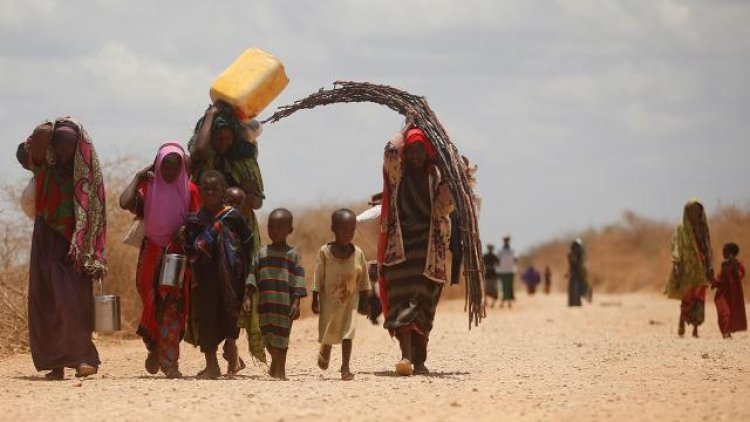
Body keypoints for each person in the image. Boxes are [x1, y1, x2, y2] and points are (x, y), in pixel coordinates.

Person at [20, 118, 106, 380]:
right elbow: (38, 135)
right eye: (59, 145)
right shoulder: (44, 164)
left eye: (70, 146)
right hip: (46, 239)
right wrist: (54, 124)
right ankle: (54, 363)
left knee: (72, 302)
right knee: (46, 300)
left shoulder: (86, 175)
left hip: (74, 246)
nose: (64, 151)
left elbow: (95, 214)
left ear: (79, 148)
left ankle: (82, 358)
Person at [188, 102, 265, 368]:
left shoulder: (244, 161)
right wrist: (210, 115)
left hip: (239, 234)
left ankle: (232, 349)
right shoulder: (203, 159)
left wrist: (245, 194)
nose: (222, 142)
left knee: (238, 293)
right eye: (217, 137)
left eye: (228, 137)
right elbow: (197, 149)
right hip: (208, 237)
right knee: (209, 298)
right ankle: (220, 355)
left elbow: (258, 202)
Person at [378, 117, 454, 376]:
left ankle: (419, 358)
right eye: (410, 150)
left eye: (420, 149)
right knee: (403, 304)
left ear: (428, 152)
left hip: (429, 251)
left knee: (424, 305)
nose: (415, 155)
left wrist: (447, 170)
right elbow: (389, 150)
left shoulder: (436, 176)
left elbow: (446, 206)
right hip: (399, 250)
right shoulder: (398, 173)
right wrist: (406, 128)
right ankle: (406, 356)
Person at [119, 143, 200, 378]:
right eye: (165, 165)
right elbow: (125, 202)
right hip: (151, 252)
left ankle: (169, 361)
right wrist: (138, 175)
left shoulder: (190, 190)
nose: (170, 171)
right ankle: (154, 347)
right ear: (158, 164)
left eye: (176, 166)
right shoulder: (148, 186)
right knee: (151, 301)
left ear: (182, 167)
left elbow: (196, 220)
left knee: (172, 306)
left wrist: (184, 229)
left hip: (176, 253)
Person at [183, 170, 255, 379]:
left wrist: (247, 273)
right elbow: (190, 249)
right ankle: (212, 365)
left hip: (231, 280)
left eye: (215, 189)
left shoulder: (234, 216)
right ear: (200, 191)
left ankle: (232, 356)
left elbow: (249, 243)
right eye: (206, 189)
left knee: (230, 318)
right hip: (205, 280)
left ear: (223, 191)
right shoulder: (196, 219)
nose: (211, 193)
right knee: (206, 319)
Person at [244, 208, 307, 380]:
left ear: (290, 230)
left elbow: (299, 279)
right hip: (265, 305)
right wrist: (248, 298)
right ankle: (275, 365)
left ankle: (280, 370)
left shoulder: (292, 255)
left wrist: (296, 302)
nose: (275, 231)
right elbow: (251, 275)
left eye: (280, 228)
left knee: (282, 338)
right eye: (272, 227)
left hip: (285, 306)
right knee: (268, 337)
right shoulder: (261, 253)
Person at [313, 209, 370, 381]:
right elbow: (318, 276)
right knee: (329, 328)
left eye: (352, 229)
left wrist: (365, 302)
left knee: (348, 332)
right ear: (334, 229)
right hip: (329, 300)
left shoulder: (358, 254)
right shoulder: (325, 252)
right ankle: (326, 347)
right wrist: (315, 298)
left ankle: (345, 367)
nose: (348, 234)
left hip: (350, 302)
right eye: (344, 229)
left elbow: (364, 280)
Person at [665, 199, 714, 338]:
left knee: (699, 298)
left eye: (697, 210)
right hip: (686, 268)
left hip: (701, 267)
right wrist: (676, 264)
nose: (695, 213)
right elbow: (676, 246)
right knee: (686, 297)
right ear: (687, 212)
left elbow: (708, 247)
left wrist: (710, 266)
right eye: (692, 210)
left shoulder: (703, 227)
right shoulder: (681, 228)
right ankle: (681, 322)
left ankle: (696, 329)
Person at [711, 242, 746, 338]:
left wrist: (735, 267)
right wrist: (714, 282)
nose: (723, 253)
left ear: (730, 253)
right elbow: (720, 277)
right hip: (723, 293)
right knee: (723, 312)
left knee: (731, 313)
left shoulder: (738, 264)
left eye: (725, 251)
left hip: (733, 294)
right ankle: (725, 332)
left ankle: (727, 332)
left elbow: (740, 274)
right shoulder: (724, 265)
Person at [567, 239, 588, 306]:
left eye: (577, 248)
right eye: (575, 248)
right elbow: (571, 265)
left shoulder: (582, 256)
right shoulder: (571, 255)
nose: (576, 250)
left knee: (583, 285)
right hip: (575, 273)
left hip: (579, 273)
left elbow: (583, 266)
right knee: (573, 288)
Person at [498, 236, 517, 308]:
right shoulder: (501, 251)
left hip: (510, 271)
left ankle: (508, 302)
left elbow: (516, 259)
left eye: (507, 240)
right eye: (505, 240)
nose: (506, 242)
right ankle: (504, 302)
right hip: (504, 271)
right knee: (504, 287)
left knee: (509, 287)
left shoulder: (512, 250)